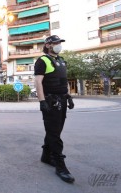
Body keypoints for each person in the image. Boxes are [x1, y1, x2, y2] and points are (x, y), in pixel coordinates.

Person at [34, 35, 75, 183]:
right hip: (51, 101)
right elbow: (38, 82)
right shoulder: (42, 60)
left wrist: (68, 96)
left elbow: (64, 81)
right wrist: (42, 101)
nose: (59, 45)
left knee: (55, 131)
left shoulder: (61, 60)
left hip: (62, 100)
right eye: (56, 43)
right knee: (54, 133)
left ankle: (46, 156)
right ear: (48, 45)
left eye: (60, 42)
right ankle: (60, 166)